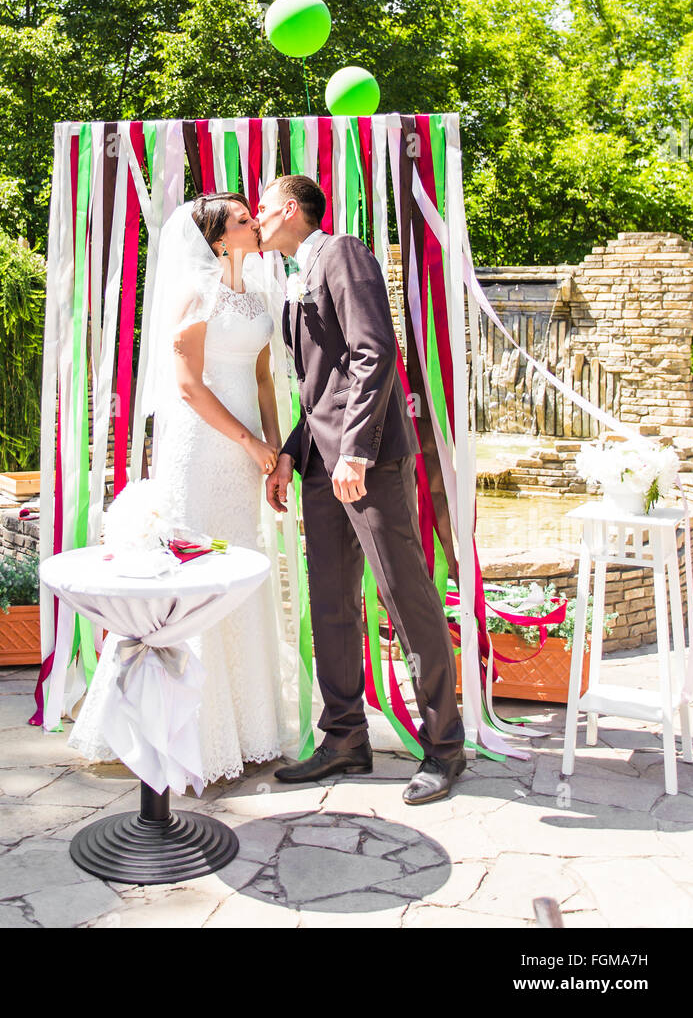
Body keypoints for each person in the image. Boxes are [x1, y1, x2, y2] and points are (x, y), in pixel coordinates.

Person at [255, 174, 466, 805]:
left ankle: (445, 748)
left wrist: (355, 453)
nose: (257, 217)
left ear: (290, 209)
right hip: (321, 466)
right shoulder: (295, 274)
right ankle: (345, 739)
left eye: (262, 209)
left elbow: (375, 354)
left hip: (364, 462)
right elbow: (319, 389)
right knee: (331, 605)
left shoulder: (342, 252)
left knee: (406, 596)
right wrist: (293, 454)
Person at [70, 192, 293, 785]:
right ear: (219, 239)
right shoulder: (197, 294)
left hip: (249, 453)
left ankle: (246, 728)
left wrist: (277, 454)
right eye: (244, 221)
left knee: (237, 575)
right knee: (193, 579)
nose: (255, 224)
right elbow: (189, 386)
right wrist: (249, 442)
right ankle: (167, 731)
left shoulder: (259, 293)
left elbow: (265, 378)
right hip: (202, 449)